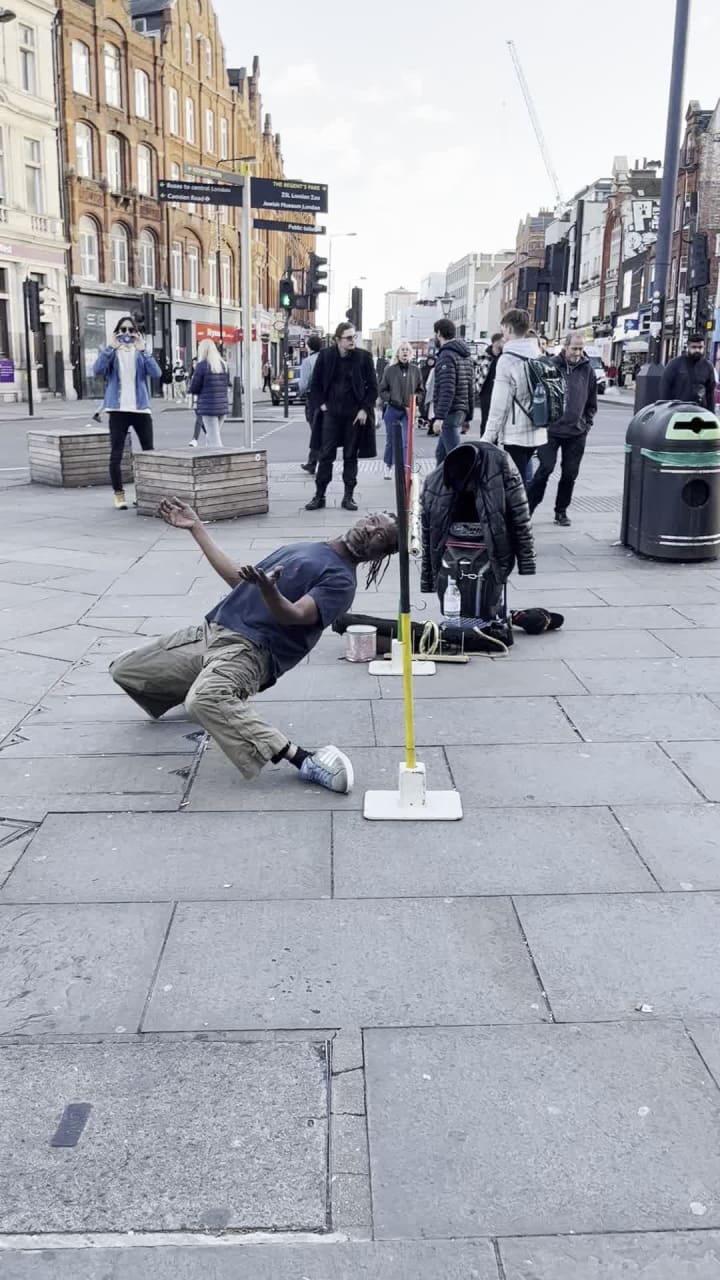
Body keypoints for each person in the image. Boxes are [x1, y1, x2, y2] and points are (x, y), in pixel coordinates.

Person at [110, 502, 398, 795]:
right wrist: (196, 528)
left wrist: (269, 591)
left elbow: (295, 615)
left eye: (380, 536)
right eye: (373, 520)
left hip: (251, 651)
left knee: (203, 700)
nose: (370, 529)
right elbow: (239, 580)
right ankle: (215, 697)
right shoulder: (306, 548)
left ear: (379, 554)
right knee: (125, 669)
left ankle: (304, 760)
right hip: (211, 634)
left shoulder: (342, 582)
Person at [305, 322, 378, 512]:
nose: (352, 341)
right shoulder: (326, 355)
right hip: (331, 414)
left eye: (354, 337)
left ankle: (348, 497)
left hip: (354, 415)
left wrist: (364, 409)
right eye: (348, 338)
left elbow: (373, 388)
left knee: (350, 456)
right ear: (337, 340)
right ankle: (319, 496)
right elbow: (315, 384)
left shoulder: (363, 357)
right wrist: (322, 405)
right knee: (325, 454)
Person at [527, 331, 597, 527]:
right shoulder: (550, 366)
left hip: (576, 432)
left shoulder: (587, 369)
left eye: (581, 348)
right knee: (544, 469)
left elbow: (592, 401)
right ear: (565, 347)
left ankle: (561, 511)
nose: (578, 352)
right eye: (574, 348)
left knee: (570, 474)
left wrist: (587, 423)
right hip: (551, 430)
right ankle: (528, 510)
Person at [92, 316, 161, 510]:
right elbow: (97, 370)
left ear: (136, 333)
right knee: (116, 454)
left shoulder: (141, 353)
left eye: (131, 330)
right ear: (117, 332)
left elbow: (156, 374)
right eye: (122, 330)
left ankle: (146, 495)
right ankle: (119, 495)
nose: (127, 334)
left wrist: (144, 350)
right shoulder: (111, 352)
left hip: (140, 409)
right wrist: (110, 348)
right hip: (117, 409)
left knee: (149, 453)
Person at [484, 308, 546, 485]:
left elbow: (499, 405)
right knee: (523, 477)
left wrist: (487, 437)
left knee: (511, 484)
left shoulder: (507, 359)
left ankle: (518, 512)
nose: (502, 332)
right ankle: (524, 509)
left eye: (503, 328)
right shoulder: (538, 354)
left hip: (515, 432)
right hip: (537, 429)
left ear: (509, 329)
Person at [431, 318, 475, 464]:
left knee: (456, 457)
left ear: (438, 333)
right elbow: (470, 386)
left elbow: (447, 388)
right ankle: (439, 486)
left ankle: (464, 485)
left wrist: (439, 417)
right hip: (460, 409)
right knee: (441, 455)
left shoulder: (446, 356)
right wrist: (468, 415)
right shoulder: (465, 355)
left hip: (450, 411)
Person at [379, 342, 423, 479]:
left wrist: (416, 401)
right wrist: (391, 399)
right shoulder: (390, 370)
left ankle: (406, 469)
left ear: (410, 354)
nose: (405, 352)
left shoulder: (416, 370)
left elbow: (420, 390)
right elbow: (382, 389)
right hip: (393, 409)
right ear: (398, 353)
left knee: (406, 441)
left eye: (407, 350)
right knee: (391, 441)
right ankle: (388, 466)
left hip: (408, 411)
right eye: (402, 350)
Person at [188, 339, 228, 448]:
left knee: (214, 441)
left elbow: (195, 387)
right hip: (222, 407)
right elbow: (226, 384)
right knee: (211, 438)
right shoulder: (222, 365)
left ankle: (221, 462)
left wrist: (190, 389)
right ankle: (209, 464)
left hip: (208, 407)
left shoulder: (201, 366)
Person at [660, 333, 716, 410]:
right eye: (694, 347)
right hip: (677, 411)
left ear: (704, 347)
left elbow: (710, 394)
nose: (697, 350)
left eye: (700, 347)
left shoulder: (708, 366)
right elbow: (665, 388)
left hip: (700, 412)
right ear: (688, 347)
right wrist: (665, 409)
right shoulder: (674, 364)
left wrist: (711, 414)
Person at [299, 334, 323, 475]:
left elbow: (303, 383)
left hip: (313, 398)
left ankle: (314, 462)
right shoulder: (326, 358)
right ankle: (312, 462)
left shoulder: (308, 361)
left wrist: (300, 392)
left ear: (309, 346)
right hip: (326, 398)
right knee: (321, 431)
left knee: (316, 431)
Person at [475, 332, 504, 435]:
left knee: (497, 420)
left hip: (500, 392)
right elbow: (477, 372)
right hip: (486, 392)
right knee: (485, 419)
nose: (504, 343)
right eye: (502, 341)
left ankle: (495, 442)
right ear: (495, 342)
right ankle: (484, 442)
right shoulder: (484, 355)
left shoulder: (504, 356)